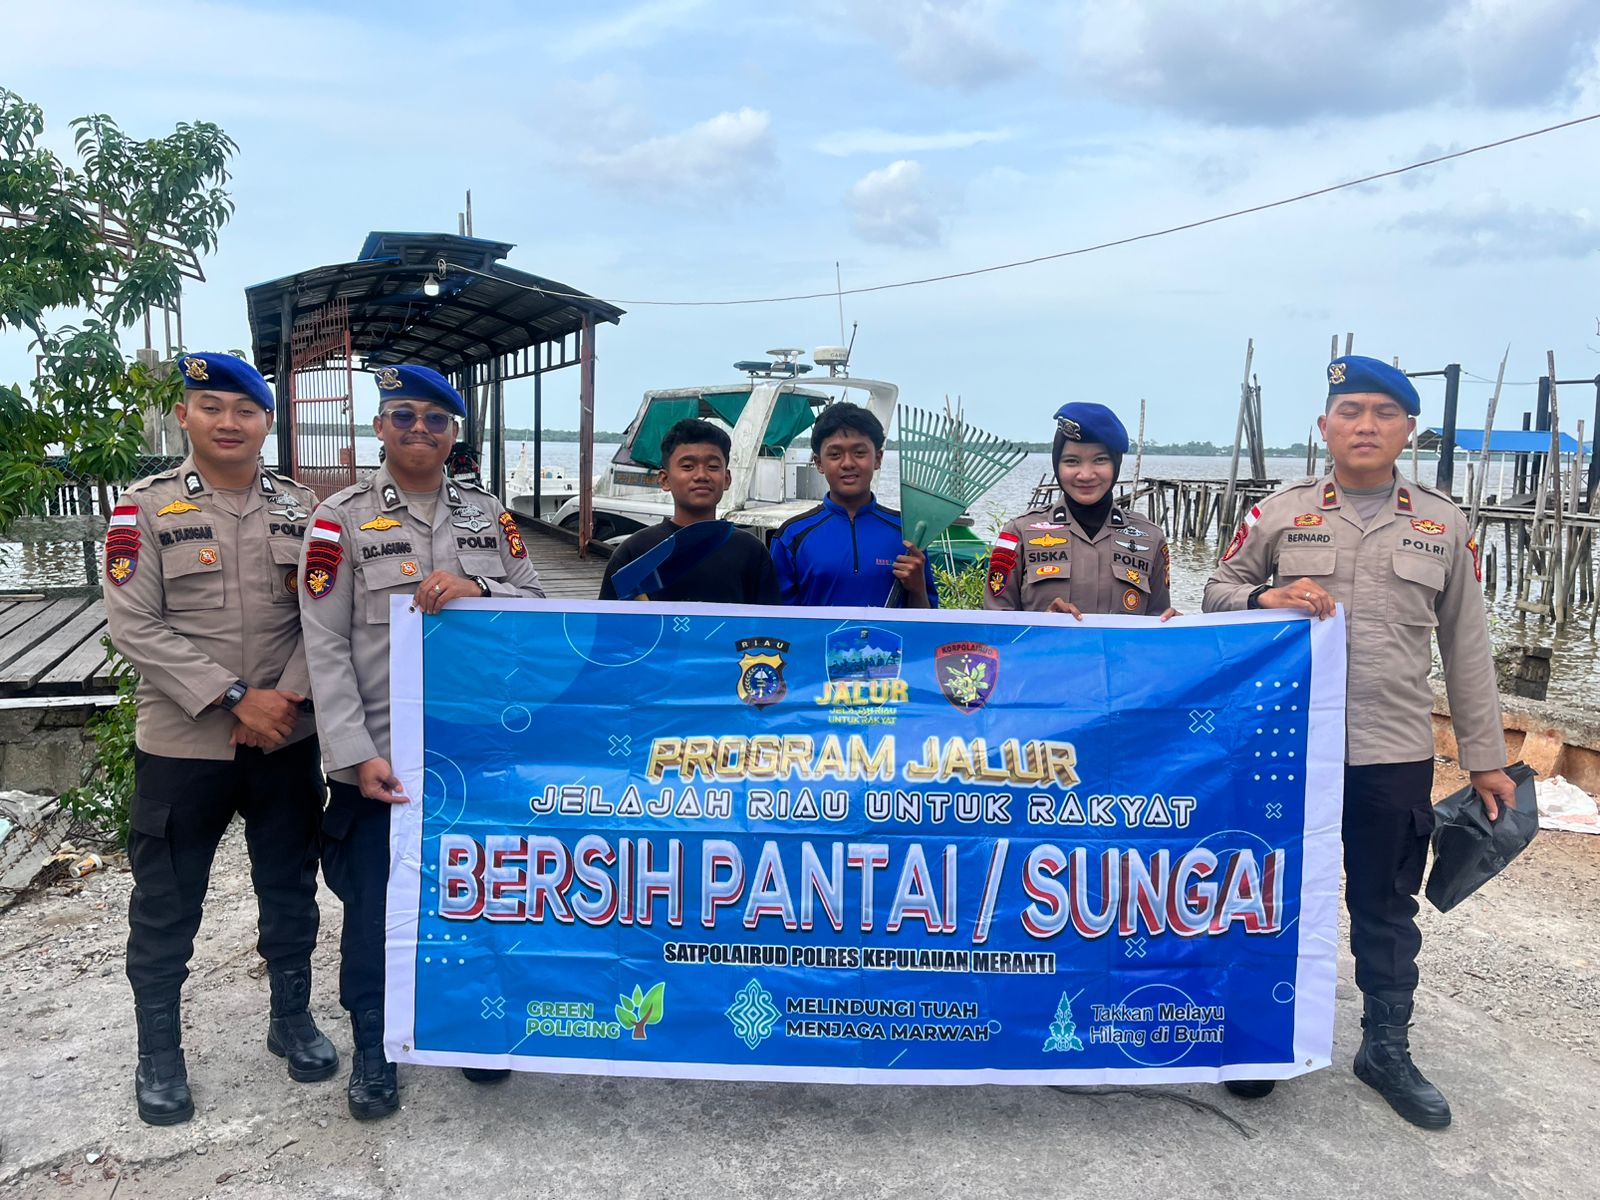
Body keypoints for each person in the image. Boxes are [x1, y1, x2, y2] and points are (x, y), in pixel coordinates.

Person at [1204, 354, 1515, 1129]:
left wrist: (1485, 760)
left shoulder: (1443, 524)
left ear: (1409, 429)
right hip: (1284, 748)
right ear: (1325, 426)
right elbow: (1215, 594)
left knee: (1384, 902)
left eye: (1384, 413)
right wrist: (1267, 594)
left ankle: (1385, 1047)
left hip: (1392, 749)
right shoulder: (1280, 513)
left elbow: (1467, 646)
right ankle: (1258, 1036)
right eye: (1350, 411)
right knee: (1267, 893)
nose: (1366, 425)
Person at [299, 363, 546, 1119]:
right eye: (403, 416)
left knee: (480, 892)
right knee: (377, 906)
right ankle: (374, 1047)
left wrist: (482, 590)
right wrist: (353, 753)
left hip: (476, 749)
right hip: (384, 755)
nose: (419, 430)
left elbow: (537, 603)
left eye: (435, 420)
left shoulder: (489, 514)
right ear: (379, 427)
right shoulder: (338, 520)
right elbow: (323, 645)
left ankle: (471, 1025)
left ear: (452, 433)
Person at [103, 352, 335, 1126]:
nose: (228, 422)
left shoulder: (304, 508)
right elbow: (134, 626)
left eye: (245, 410)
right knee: (166, 903)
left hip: (285, 739)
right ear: (185, 415)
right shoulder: (143, 509)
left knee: (290, 887)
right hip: (183, 744)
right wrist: (235, 697)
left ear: (268, 422)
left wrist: (283, 700)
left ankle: (291, 1018)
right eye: (212, 407)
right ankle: (159, 1055)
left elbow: (325, 614)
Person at [984, 401, 1175, 618]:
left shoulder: (1150, 538)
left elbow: (1156, 625)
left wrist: (1175, 626)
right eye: (1072, 461)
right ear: (1057, 465)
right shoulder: (1018, 533)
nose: (1086, 475)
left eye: (1100, 460)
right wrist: (1044, 624)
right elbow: (994, 624)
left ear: (1116, 464)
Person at [770, 402, 937, 608]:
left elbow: (927, 620)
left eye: (859, 453)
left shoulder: (907, 534)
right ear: (819, 463)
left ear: (878, 459)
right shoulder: (792, 535)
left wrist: (918, 588)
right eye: (835, 454)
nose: (848, 463)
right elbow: (777, 619)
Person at [597, 417, 780, 604]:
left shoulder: (751, 551)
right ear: (665, 479)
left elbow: (770, 619)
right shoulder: (634, 552)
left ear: (726, 479)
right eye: (687, 467)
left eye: (713, 467)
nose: (701, 475)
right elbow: (608, 621)